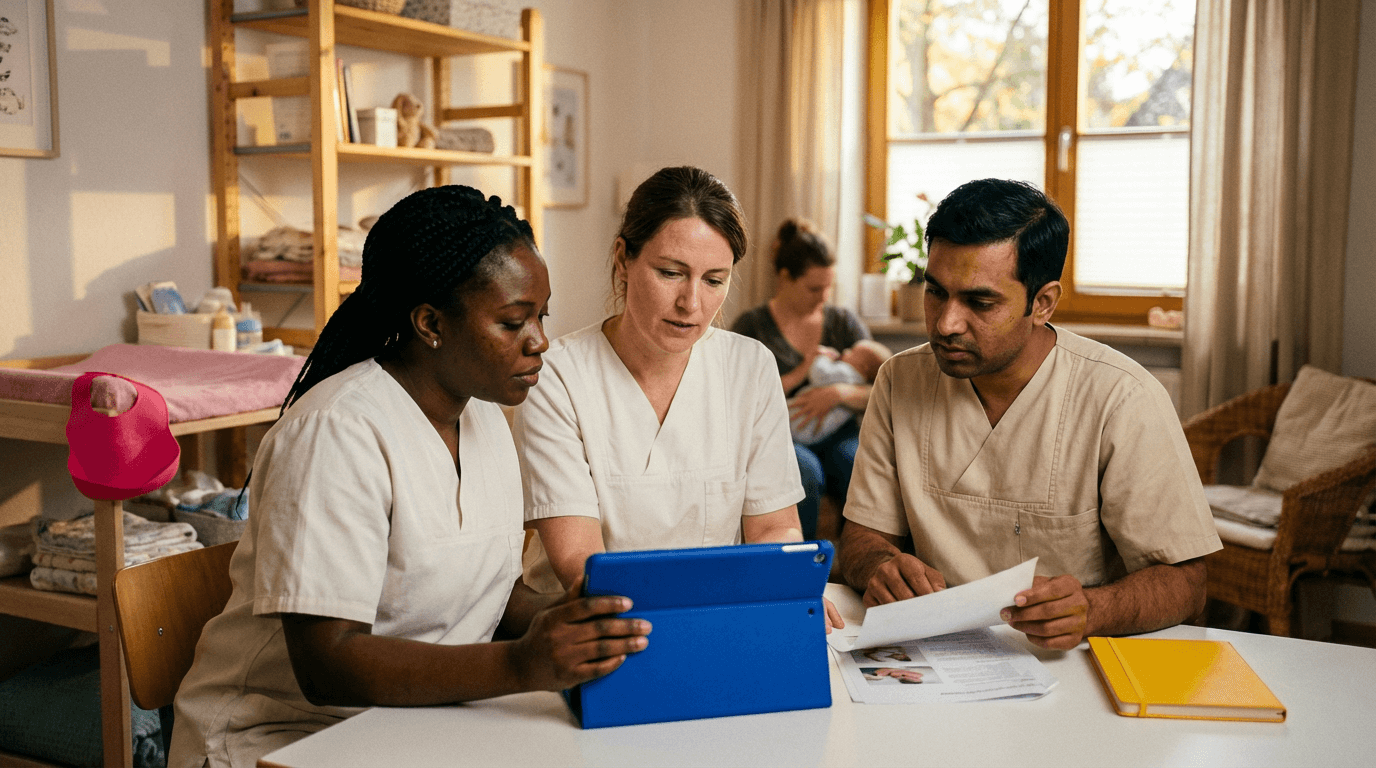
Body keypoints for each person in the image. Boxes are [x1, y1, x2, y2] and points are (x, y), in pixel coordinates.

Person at [169, 186, 650, 768]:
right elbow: (328, 663)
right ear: (430, 324)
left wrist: (567, 619)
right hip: (283, 737)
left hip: (419, 725)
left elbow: (488, 593)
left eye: (541, 318)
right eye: (512, 321)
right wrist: (522, 663)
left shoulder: (485, 419)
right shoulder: (337, 433)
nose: (540, 341)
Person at [837, 178, 1222, 651]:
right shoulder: (899, 381)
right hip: (934, 651)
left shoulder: (1122, 397)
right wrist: (880, 566)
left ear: (1043, 303)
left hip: (1071, 659)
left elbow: (1187, 582)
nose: (945, 323)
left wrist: (1093, 610)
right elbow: (860, 537)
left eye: (980, 303)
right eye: (935, 292)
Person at [515, 167, 842, 630]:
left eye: (714, 280)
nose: (691, 303)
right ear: (623, 259)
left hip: (718, 620)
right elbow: (579, 561)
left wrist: (783, 583)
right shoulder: (558, 378)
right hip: (595, 631)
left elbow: (773, 526)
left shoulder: (750, 367)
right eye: (670, 273)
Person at [732, 219, 874, 540]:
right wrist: (801, 372)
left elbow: (883, 390)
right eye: (814, 288)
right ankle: (800, 569)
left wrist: (839, 393)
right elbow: (738, 399)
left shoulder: (843, 322)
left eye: (828, 287)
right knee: (803, 472)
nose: (824, 297)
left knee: (857, 464)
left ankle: (861, 562)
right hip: (784, 436)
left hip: (840, 433)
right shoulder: (753, 327)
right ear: (784, 279)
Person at [790, 339, 892, 446]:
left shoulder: (847, 373)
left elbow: (821, 374)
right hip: (818, 431)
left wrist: (822, 357)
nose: (846, 351)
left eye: (852, 352)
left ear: (863, 367)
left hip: (805, 424)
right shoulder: (856, 380)